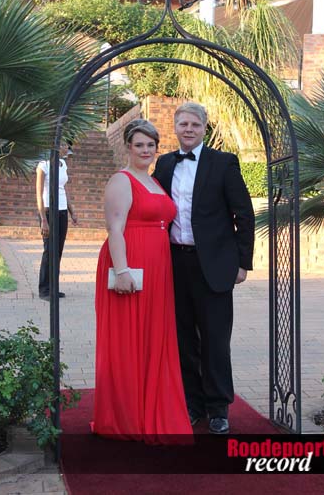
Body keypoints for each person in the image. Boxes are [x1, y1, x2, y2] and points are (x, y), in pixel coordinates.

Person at [152, 102, 255, 435]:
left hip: (214, 265)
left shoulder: (223, 163)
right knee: (183, 339)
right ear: (175, 127)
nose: (188, 129)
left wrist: (242, 263)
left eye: (195, 124)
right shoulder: (165, 163)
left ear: (204, 128)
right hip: (174, 263)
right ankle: (192, 403)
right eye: (183, 124)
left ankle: (218, 408)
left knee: (215, 340)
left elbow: (244, 215)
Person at [92, 119, 193, 445]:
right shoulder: (121, 180)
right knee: (128, 340)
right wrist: (122, 271)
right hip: (130, 265)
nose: (146, 150)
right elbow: (115, 229)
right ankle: (126, 416)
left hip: (158, 269)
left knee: (152, 337)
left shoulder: (153, 181)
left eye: (151, 145)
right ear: (128, 147)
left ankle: (152, 407)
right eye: (139, 145)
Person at [36, 141, 78, 301]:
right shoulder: (43, 166)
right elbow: (39, 193)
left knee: (58, 251)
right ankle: (44, 289)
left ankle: (53, 287)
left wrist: (72, 211)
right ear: (54, 146)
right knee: (49, 250)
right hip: (48, 211)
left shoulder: (63, 164)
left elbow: (64, 189)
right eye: (63, 145)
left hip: (62, 211)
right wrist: (43, 220)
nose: (66, 148)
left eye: (67, 145)